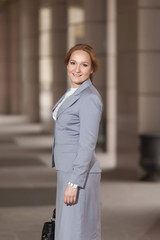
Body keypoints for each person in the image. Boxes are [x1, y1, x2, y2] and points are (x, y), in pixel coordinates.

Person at [51, 43, 103, 240]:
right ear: (66, 65)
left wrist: (74, 182)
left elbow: (87, 143)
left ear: (91, 69)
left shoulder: (89, 98)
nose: (77, 69)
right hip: (68, 170)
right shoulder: (73, 93)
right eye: (73, 63)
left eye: (84, 65)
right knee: (70, 231)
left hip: (78, 174)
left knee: (76, 232)